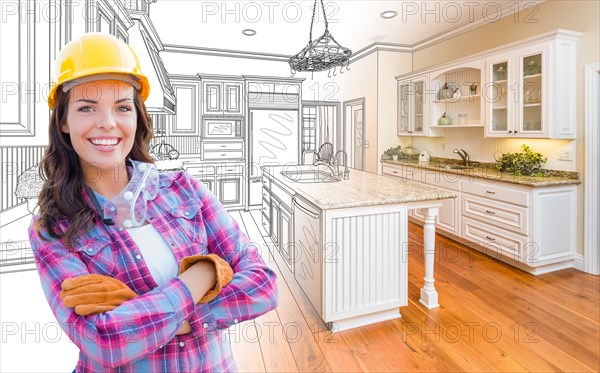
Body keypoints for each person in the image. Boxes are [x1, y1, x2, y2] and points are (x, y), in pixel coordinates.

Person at [28, 32, 277, 372]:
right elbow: (106, 342)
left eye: (122, 107)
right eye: (87, 107)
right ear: (64, 122)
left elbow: (263, 284)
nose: (107, 122)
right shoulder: (52, 228)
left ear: (136, 118)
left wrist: (155, 315)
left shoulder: (183, 189)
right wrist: (204, 273)